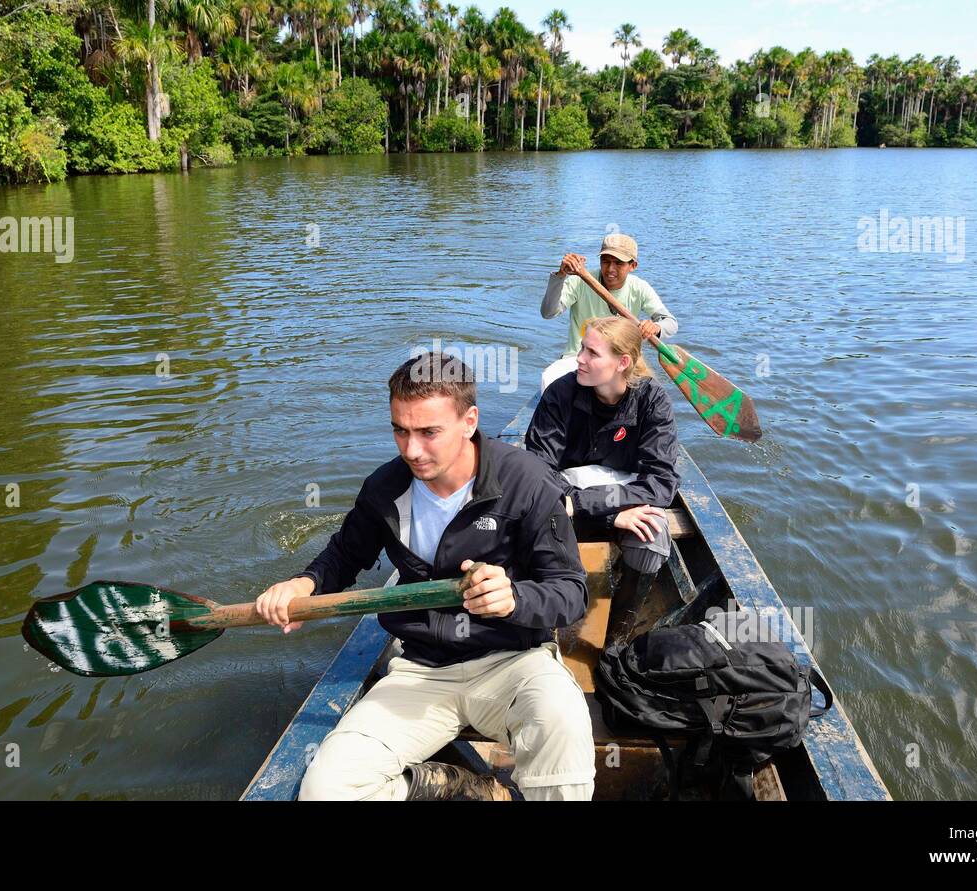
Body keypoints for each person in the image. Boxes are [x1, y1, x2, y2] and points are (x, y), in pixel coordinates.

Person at [254, 351, 595, 801]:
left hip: (512, 661)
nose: (411, 450)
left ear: (469, 420)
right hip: (420, 670)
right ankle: (454, 787)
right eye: (400, 430)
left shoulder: (527, 483)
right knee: (326, 790)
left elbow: (571, 592)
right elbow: (343, 556)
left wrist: (514, 598)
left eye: (428, 432)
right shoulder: (385, 488)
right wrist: (303, 585)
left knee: (565, 736)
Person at [524, 316, 680, 646]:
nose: (579, 358)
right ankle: (542, 625)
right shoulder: (560, 394)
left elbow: (662, 482)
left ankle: (615, 640)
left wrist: (591, 505)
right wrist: (606, 512)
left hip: (613, 500)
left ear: (622, 363)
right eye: (582, 348)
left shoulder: (653, 401)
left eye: (592, 353)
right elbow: (537, 470)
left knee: (653, 536)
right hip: (565, 496)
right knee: (528, 524)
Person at [540, 233, 677, 392]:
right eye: (605, 261)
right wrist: (560, 276)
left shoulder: (640, 288)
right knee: (549, 377)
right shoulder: (580, 280)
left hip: (621, 363)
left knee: (646, 393)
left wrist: (656, 327)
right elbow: (548, 313)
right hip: (579, 359)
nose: (610, 269)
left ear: (633, 266)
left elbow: (671, 323)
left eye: (618, 263)